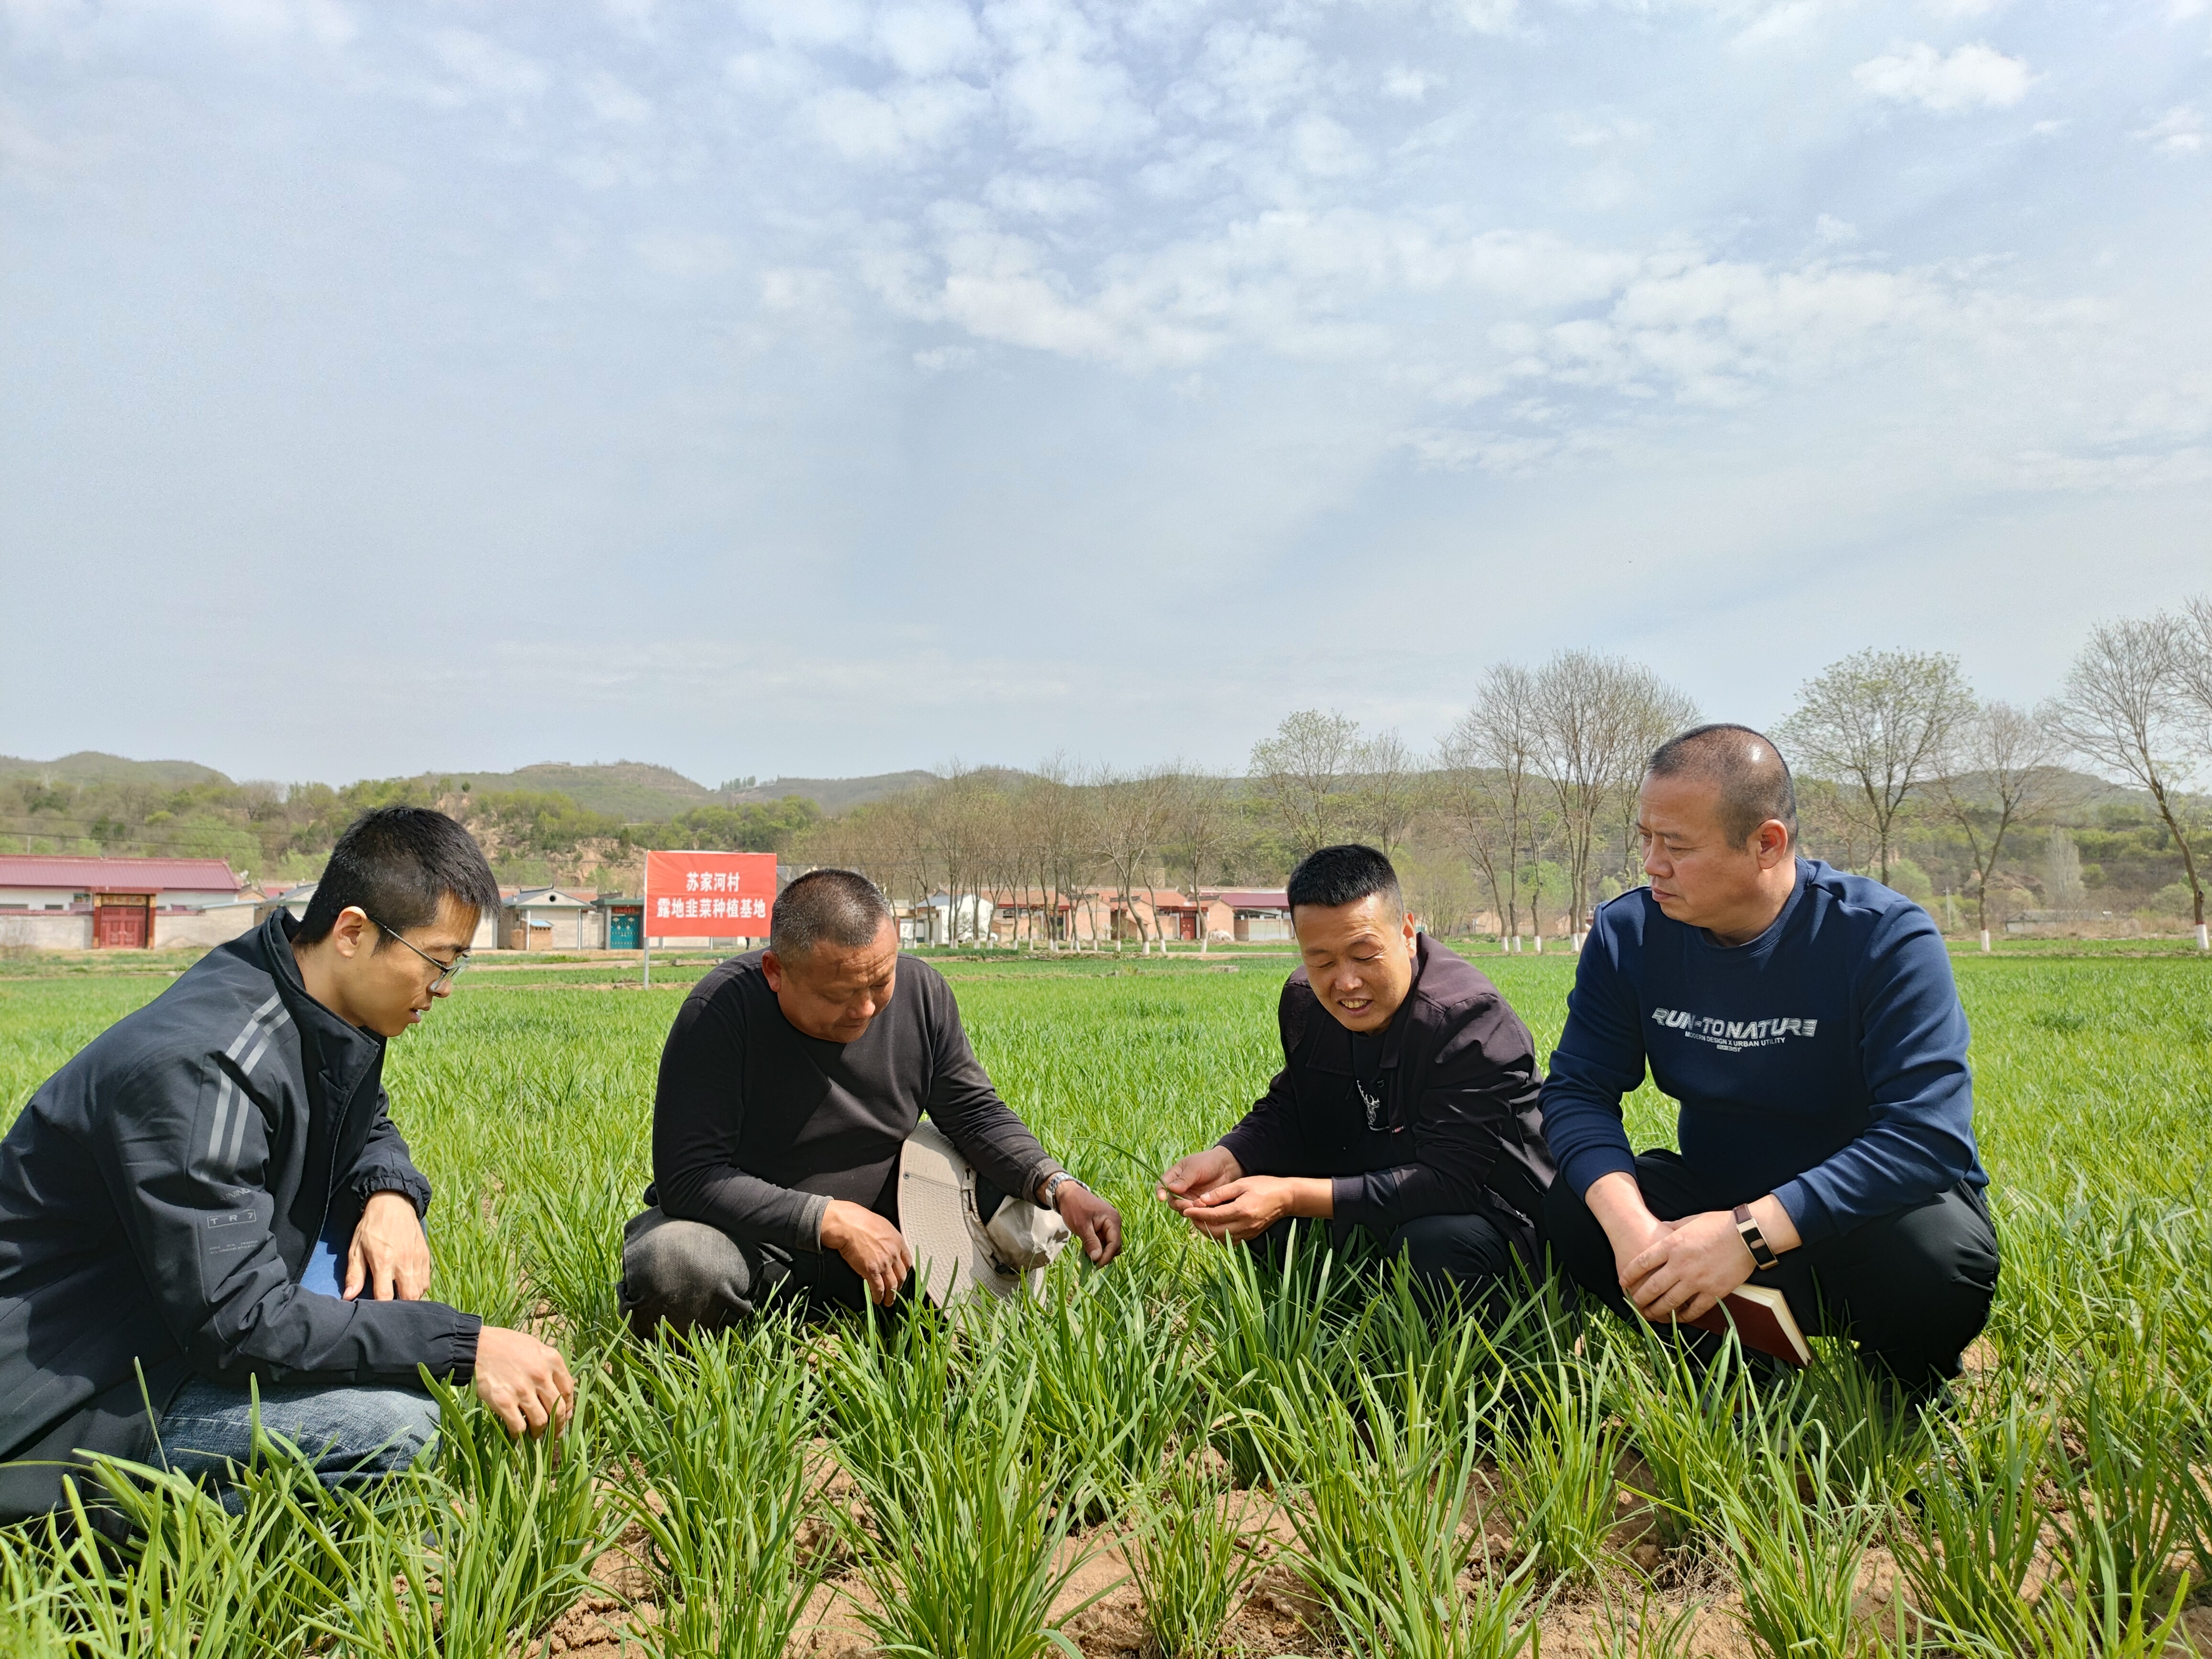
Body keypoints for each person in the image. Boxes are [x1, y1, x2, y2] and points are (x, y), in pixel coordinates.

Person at [0, 808, 575, 1523]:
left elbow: (364, 1119)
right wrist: (466, 1344)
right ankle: (138, 1531)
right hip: (75, 1397)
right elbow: (242, 1322)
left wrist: (390, 1194)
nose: (445, 985)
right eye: (438, 959)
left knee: (379, 1293)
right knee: (399, 1428)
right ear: (354, 932)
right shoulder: (204, 1070)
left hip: (162, 1317)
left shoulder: (311, 999)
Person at [1540, 724, 2000, 1393]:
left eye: (1676, 845)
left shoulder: (1882, 938)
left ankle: (1903, 1373)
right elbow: (1579, 1090)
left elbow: (1926, 1139)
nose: (1651, 864)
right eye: (1645, 837)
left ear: (1766, 843)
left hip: (1860, 1218)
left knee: (1939, 1260)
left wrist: (1743, 1239)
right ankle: (1739, 1359)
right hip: (1717, 1194)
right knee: (1578, 1209)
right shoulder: (1630, 933)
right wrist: (1636, 1231)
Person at [619, 868, 1123, 1332]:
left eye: (880, 982)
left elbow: (974, 1113)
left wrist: (1057, 1186)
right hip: (758, 1242)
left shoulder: (922, 992)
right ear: (776, 972)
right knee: (674, 1263)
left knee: (1002, 1213)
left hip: (892, 1236)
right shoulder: (722, 1012)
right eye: (838, 995)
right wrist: (826, 1219)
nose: (864, 1010)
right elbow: (688, 1177)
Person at [1156, 844, 1554, 1308]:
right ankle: (1338, 1301)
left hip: (1494, 1211)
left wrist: (1289, 1195)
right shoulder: (1307, 1002)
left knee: (1432, 1247)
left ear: (1407, 933)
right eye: (1322, 961)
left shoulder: (1467, 1021)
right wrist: (1231, 1156)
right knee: (1253, 1201)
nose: (1344, 983)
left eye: (1364, 955)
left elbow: (1450, 1181)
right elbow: (1294, 1107)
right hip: (1387, 1178)